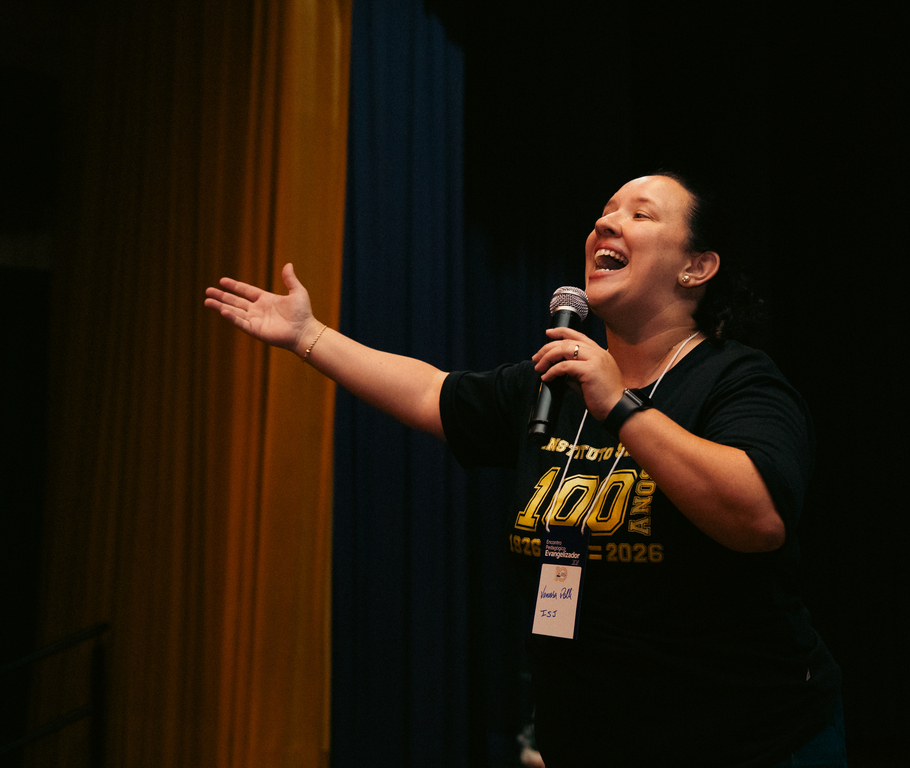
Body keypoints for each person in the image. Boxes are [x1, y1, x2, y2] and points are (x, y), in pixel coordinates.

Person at [205, 173, 844, 767]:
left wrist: (620, 406)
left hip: (746, 741)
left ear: (696, 267)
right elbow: (430, 392)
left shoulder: (738, 382)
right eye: (605, 212)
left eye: (640, 215)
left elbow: (758, 518)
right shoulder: (556, 385)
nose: (606, 223)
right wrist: (309, 335)